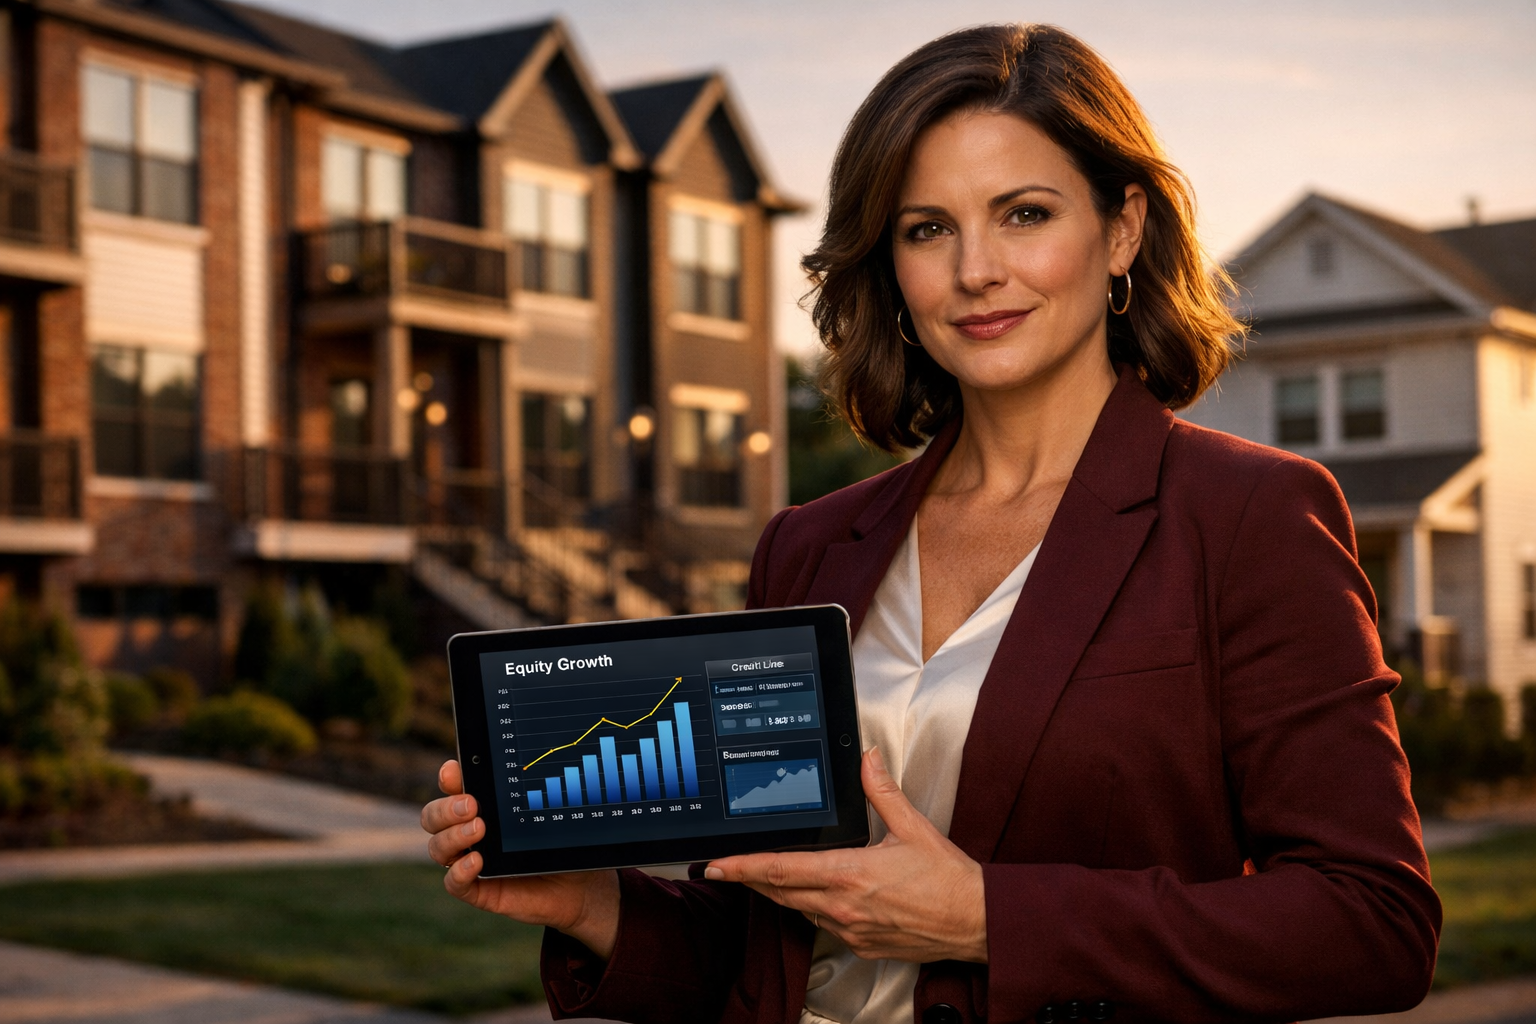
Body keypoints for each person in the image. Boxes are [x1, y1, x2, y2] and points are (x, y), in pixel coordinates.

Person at [422, 23, 1440, 1024]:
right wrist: (593, 905)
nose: (976, 271)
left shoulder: (1249, 517)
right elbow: (769, 952)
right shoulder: (810, 545)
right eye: (927, 229)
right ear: (891, 268)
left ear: (1122, 227)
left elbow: (1373, 921)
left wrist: (992, 917)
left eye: (1025, 214)